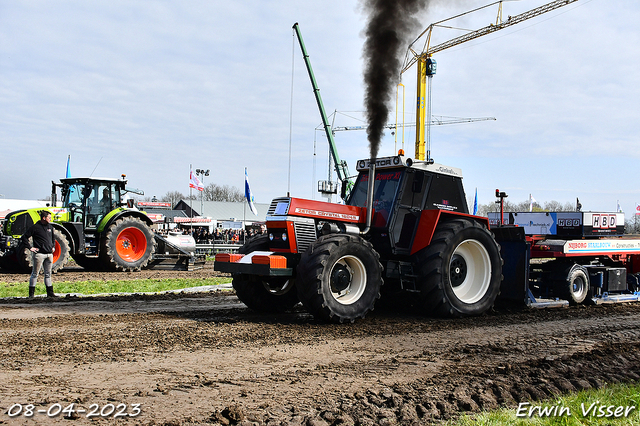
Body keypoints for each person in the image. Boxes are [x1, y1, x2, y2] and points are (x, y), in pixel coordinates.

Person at [21, 210, 57, 298]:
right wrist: (30, 248)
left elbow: (53, 238)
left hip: (49, 255)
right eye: (49, 217)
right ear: (44, 218)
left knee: (48, 274)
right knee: (35, 274)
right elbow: (24, 237)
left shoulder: (50, 227)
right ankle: (31, 295)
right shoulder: (35, 227)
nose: (50, 219)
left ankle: (50, 293)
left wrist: (53, 246)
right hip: (39, 255)